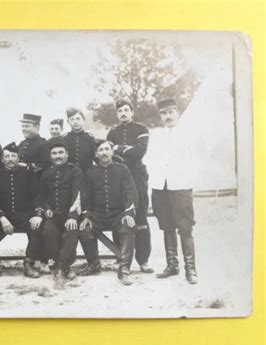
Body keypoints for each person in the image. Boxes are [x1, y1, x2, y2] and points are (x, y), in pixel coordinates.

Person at [150, 98, 198, 284]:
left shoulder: (188, 133)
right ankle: (172, 265)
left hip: (181, 186)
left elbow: (195, 160)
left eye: (170, 112)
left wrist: (188, 181)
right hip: (161, 187)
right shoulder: (156, 135)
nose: (167, 116)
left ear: (177, 112)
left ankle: (190, 269)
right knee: (167, 226)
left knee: (185, 228)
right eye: (163, 113)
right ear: (160, 115)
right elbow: (150, 160)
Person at [0, 142, 44, 280]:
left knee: (37, 226)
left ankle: (29, 263)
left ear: (18, 158)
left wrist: (37, 215)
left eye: (13, 156)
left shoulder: (28, 173)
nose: (10, 159)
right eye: (7, 156)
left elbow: (37, 195)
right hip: (3, 215)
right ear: (2, 159)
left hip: (24, 214)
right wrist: (2, 218)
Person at [78, 140, 139, 286]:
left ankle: (124, 269)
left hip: (118, 214)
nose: (104, 153)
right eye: (100, 150)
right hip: (98, 215)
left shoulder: (122, 169)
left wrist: (129, 214)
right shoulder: (91, 172)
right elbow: (85, 197)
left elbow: (131, 192)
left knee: (128, 227)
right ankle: (94, 264)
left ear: (112, 152)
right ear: (96, 154)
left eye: (107, 149)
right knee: (85, 230)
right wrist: (86, 216)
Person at [106, 99, 153, 273]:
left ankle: (143, 260)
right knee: (119, 216)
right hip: (118, 177)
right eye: (120, 111)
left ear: (132, 112)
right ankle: (120, 258)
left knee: (140, 217)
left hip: (137, 176)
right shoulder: (112, 131)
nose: (123, 113)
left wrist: (118, 147)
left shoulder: (141, 129)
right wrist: (126, 149)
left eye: (126, 110)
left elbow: (139, 152)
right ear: (117, 114)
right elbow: (109, 152)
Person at [35, 139, 82, 289]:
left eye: (61, 153)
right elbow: (41, 195)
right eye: (54, 153)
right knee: (48, 231)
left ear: (67, 154)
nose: (57, 156)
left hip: (70, 213)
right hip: (53, 215)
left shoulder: (75, 171)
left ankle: (60, 268)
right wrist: (46, 208)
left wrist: (73, 216)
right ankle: (58, 265)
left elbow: (78, 194)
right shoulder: (46, 173)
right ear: (50, 156)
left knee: (71, 231)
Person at [18, 113, 51, 273]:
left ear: (36, 127)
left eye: (27, 126)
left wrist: (28, 166)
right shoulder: (22, 144)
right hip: (24, 191)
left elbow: (46, 164)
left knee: (40, 223)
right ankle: (34, 259)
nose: (24, 128)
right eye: (23, 126)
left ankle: (42, 260)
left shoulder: (43, 144)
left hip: (40, 189)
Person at [64, 107, 97, 174]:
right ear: (68, 122)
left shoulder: (90, 138)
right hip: (69, 176)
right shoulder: (64, 139)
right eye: (72, 119)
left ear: (83, 120)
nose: (75, 121)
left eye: (78, 118)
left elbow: (96, 158)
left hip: (87, 175)